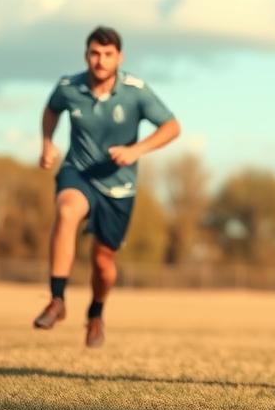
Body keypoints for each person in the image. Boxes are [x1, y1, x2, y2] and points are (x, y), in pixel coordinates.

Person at [33, 26, 181, 347]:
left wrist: (136, 151)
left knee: (103, 263)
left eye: (108, 54)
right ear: (86, 55)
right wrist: (47, 143)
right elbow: (50, 110)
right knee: (67, 209)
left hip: (118, 187)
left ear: (119, 57)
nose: (100, 61)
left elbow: (172, 127)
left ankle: (96, 314)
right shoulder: (68, 86)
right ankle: (57, 300)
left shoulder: (135, 91)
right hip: (79, 172)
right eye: (94, 54)